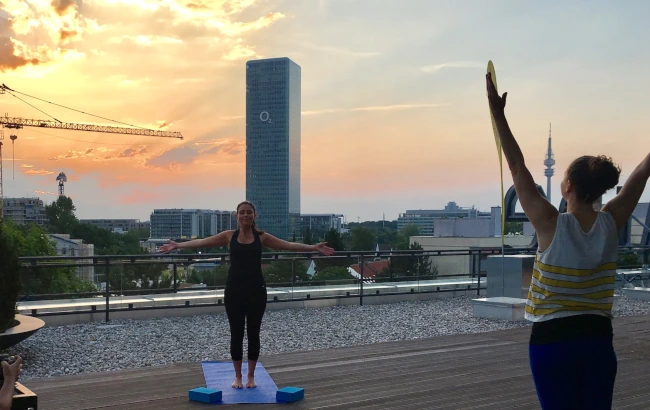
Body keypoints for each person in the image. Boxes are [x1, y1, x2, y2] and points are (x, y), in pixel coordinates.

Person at [487, 72, 649, 410]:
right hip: (598, 341)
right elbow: (641, 175)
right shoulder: (611, 223)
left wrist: (498, 115)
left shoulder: (550, 224)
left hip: (552, 342)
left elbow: (516, 166)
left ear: (568, 187)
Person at [160, 201, 334, 389]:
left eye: (249, 212)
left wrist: (313, 247)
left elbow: (288, 245)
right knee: (236, 334)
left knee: (253, 333)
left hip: (256, 291)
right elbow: (203, 242)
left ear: (254, 215)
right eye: (242, 212)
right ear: (236, 216)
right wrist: (178, 245)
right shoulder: (229, 236)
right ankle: (238, 377)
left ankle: (251, 376)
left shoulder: (262, 237)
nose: (245, 215)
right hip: (234, 291)